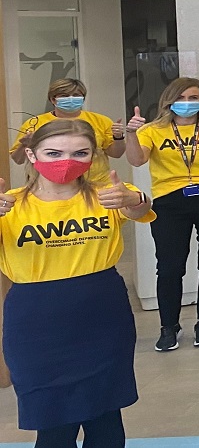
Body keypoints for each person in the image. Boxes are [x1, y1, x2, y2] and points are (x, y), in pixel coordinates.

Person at [0, 119, 155, 448]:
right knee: (53, 423)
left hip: (102, 312)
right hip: (36, 320)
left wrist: (136, 196)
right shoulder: (10, 205)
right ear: (31, 154)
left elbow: (140, 208)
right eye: (53, 152)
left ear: (91, 157)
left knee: (106, 416)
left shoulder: (108, 196)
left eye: (79, 153)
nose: (65, 161)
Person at [124, 77, 199, 352]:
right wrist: (131, 135)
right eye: (182, 98)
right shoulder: (152, 130)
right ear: (169, 100)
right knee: (169, 265)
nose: (188, 104)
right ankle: (168, 326)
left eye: (194, 98)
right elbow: (136, 160)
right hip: (170, 200)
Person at [9, 78, 126, 187]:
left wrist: (118, 137)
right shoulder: (35, 123)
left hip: (96, 185)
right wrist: (25, 144)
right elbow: (18, 160)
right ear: (53, 99)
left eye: (76, 95)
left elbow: (116, 154)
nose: (71, 98)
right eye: (64, 96)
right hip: (49, 187)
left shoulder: (101, 121)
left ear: (83, 98)